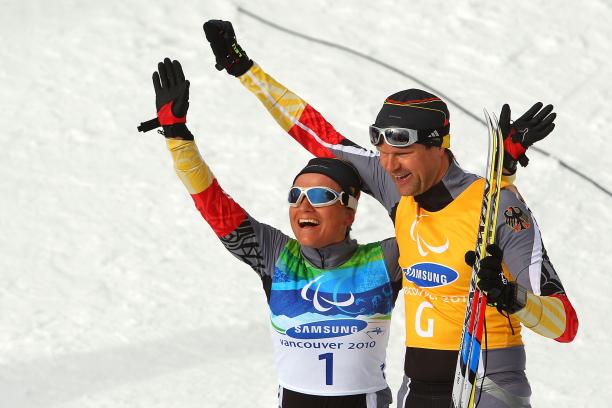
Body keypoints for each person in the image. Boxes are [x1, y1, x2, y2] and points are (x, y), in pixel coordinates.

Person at [202, 20, 579, 408]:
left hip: (488, 385)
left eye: (401, 153)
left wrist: (511, 296)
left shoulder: (498, 206)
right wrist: (243, 69)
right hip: (416, 390)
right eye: (382, 154)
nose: (390, 166)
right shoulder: (399, 192)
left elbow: (564, 324)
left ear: (439, 146)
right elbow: (315, 133)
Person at [138, 58, 402, 408]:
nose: (303, 208)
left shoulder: (385, 259)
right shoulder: (277, 255)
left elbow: (424, 216)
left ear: (350, 208)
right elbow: (213, 204)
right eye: (296, 196)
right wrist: (177, 138)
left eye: (320, 196)